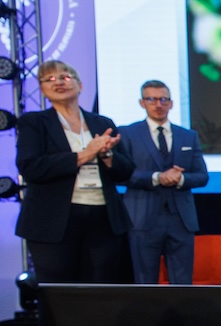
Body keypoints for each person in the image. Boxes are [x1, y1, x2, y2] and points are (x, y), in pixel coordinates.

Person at [15, 60, 135, 283]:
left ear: (80, 86)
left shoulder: (102, 123)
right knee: (59, 291)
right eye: (50, 79)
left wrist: (106, 155)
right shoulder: (34, 123)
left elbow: (126, 171)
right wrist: (85, 154)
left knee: (100, 289)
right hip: (53, 220)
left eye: (65, 77)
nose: (59, 82)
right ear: (42, 90)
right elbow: (31, 167)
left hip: (103, 218)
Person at [120, 80, 209, 284]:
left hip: (181, 220)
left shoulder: (188, 136)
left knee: (183, 283)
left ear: (171, 103)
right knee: (145, 282)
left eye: (163, 100)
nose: (158, 104)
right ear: (142, 103)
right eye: (151, 99)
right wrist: (157, 177)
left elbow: (202, 176)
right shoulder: (128, 133)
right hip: (142, 219)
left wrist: (180, 179)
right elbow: (123, 175)